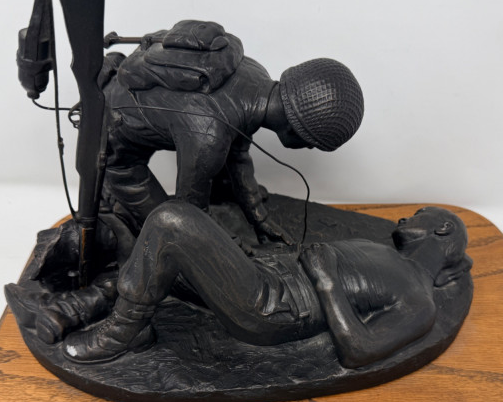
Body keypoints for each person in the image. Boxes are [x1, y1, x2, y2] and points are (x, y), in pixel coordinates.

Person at [57, 202, 472, 368]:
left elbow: (360, 351)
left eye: (419, 215)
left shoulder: (420, 301)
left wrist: (326, 280)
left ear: (442, 229)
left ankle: (123, 332)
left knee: (171, 222)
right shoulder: (384, 253)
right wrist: (249, 257)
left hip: (274, 308)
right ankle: (99, 308)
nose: (404, 218)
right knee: (134, 231)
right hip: (265, 278)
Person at [99, 20, 364, 243]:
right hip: (115, 147)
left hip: (142, 110)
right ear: (296, 132)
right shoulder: (210, 136)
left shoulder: (255, 74)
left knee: (216, 170)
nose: (308, 148)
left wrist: (259, 218)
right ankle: (119, 207)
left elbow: (238, 155)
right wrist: (225, 245)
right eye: (310, 143)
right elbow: (189, 213)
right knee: (171, 231)